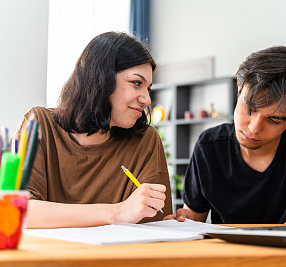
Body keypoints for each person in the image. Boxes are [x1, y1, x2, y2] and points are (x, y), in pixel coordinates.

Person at [15, 32, 172, 228]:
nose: (147, 100)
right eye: (136, 83)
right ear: (101, 79)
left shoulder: (146, 140)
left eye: (148, 88)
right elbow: (19, 212)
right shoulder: (39, 124)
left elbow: (152, 225)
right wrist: (118, 212)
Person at [165, 46, 286, 224]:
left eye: (274, 120)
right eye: (250, 109)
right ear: (239, 88)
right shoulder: (209, 147)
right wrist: (181, 222)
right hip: (230, 252)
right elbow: (194, 219)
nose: (254, 128)